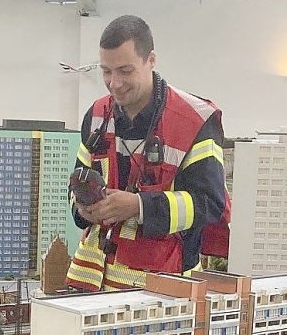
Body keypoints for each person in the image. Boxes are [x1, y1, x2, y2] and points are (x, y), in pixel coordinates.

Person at [66, 15, 229, 292]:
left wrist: (138, 206)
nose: (114, 83)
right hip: (92, 286)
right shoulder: (96, 115)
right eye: (106, 71)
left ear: (150, 61)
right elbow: (75, 185)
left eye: (125, 71)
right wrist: (85, 209)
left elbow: (209, 204)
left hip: (166, 289)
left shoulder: (195, 121)